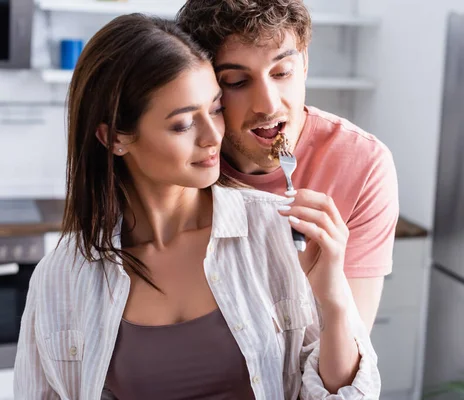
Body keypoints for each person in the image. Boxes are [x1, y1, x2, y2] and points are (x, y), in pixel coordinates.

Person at [13, 14, 380, 399]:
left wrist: (334, 300)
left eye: (217, 109)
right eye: (183, 124)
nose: (212, 136)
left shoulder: (279, 232)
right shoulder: (62, 277)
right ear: (116, 138)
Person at [176, 0, 400, 332]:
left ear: (305, 63)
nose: (268, 104)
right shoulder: (183, 160)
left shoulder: (363, 164)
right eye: (237, 81)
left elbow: (353, 353)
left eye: (282, 72)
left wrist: (329, 288)